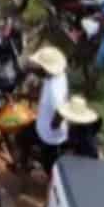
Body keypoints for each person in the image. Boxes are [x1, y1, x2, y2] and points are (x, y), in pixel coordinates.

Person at [28, 45, 70, 175]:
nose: (38, 67)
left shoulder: (54, 92)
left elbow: (60, 112)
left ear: (46, 69)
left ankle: (24, 167)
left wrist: (53, 125)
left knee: (21, 137)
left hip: (48, 135)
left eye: (40, 66)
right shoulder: (59, 75)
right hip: (48, 125)